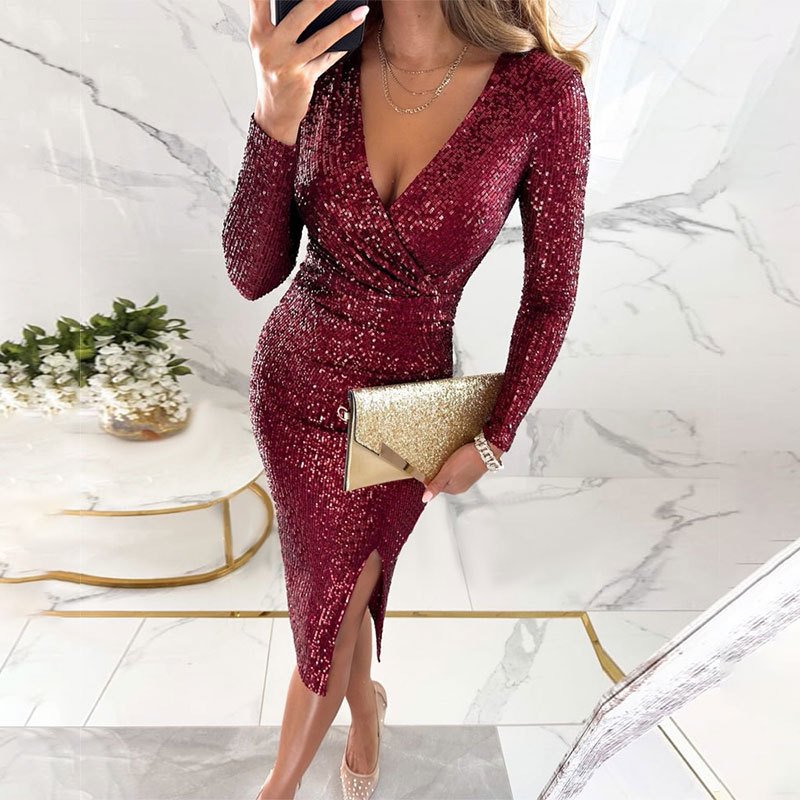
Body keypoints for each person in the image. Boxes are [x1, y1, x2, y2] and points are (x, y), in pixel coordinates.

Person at [221, 0, 591, 797]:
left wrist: (496, 433)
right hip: (291, 386)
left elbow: (550, 295)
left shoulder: (541, 93)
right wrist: (273, 114)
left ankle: (277, 790)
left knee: (332, 605)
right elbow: (251, 275)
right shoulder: (321, 67)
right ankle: (367, 709)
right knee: (332, 595)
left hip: (401, 414)